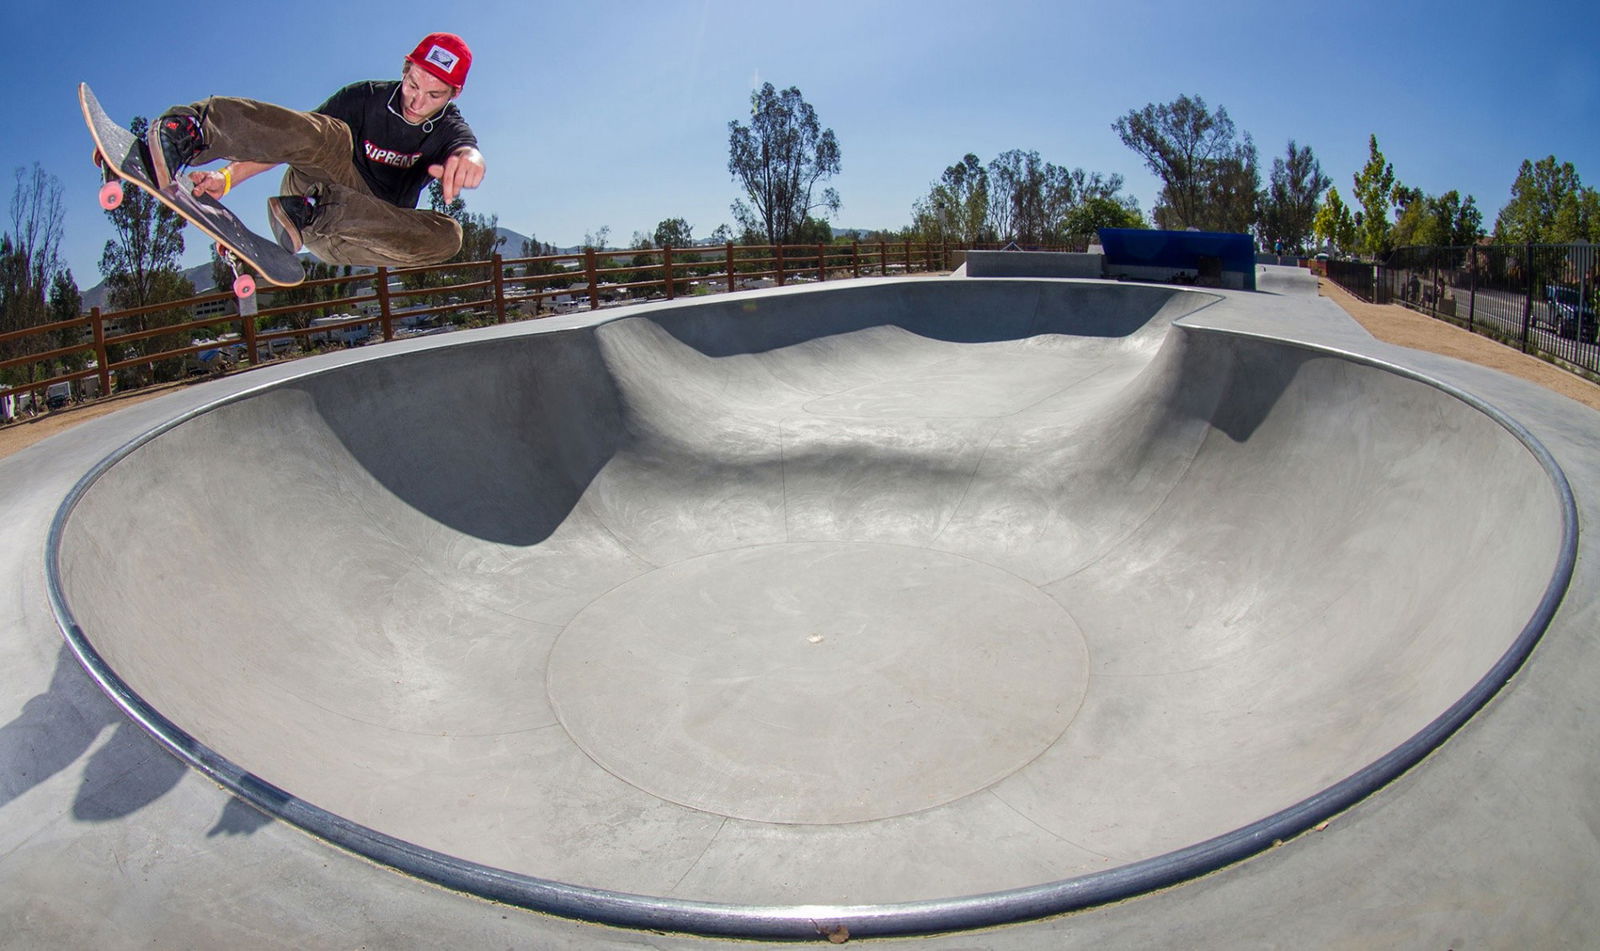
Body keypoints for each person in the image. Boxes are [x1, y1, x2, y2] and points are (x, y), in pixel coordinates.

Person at [146, 32, 486, 269]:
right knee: (331, 132)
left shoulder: (449, 128)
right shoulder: (363, 98)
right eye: (413, 84)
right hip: (308, 189)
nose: (417, 101)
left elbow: (467, 148)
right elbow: (292, 139)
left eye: (434, 95)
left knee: (450, 236)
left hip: (361, 233)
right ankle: (193, 131)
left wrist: (470, 159)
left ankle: (317, 213)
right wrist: (226, 178)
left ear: (453, 95)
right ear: (405, 70)